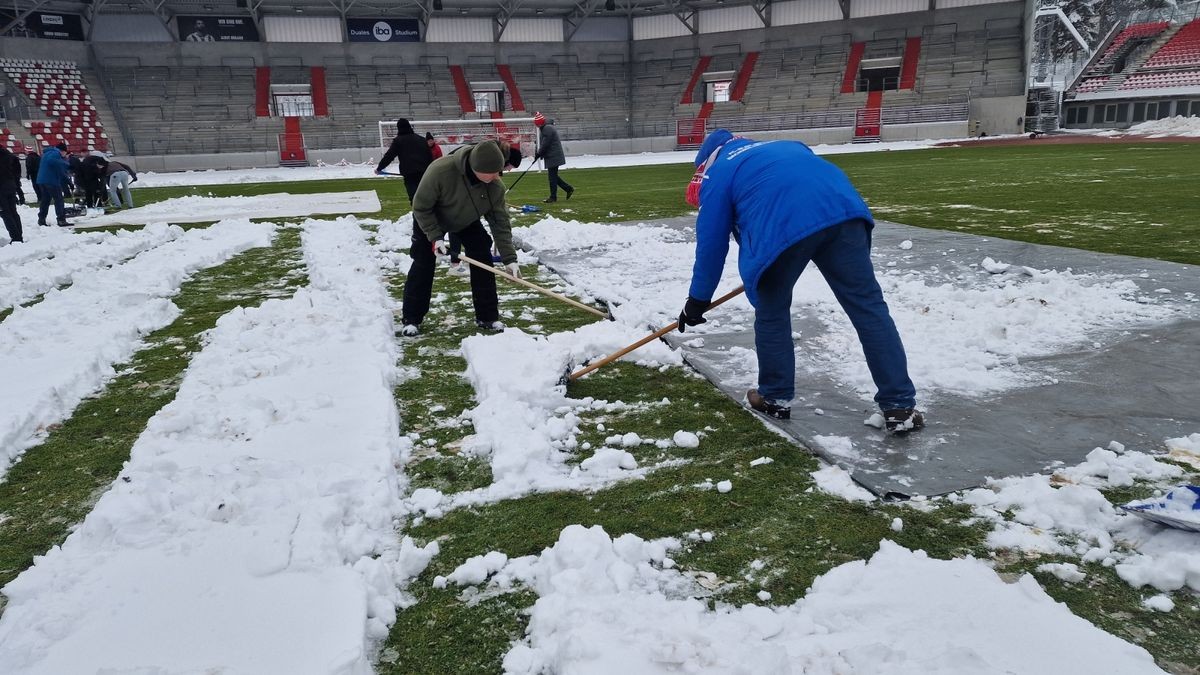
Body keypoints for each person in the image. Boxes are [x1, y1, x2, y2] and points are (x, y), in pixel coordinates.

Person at [677, 129, 924, 433]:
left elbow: (712, 242)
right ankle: (900, 406)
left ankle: (775, 397)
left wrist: (698, 299)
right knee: (868, 307)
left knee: (772, 311)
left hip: (783, 231)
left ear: (705, 163)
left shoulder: (719, 172)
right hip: (845, 215)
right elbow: (805, 189)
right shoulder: (787, 146)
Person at [400, 140, 518, 336]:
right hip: (431, 218)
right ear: (476, 168)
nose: (497, 177)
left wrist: (510, 259)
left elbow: (500, 223)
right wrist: (435, 237)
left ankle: (488, 317)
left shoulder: (495, 186)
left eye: (499, 171)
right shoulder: (440, 170)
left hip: (466, 219)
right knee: (423, 261)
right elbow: (421, 207)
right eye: (492, 172)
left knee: (482, 254)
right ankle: (411, 318)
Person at [445, 140, 523, 277]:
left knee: (482, 241)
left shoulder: (492, 165)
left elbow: (499, 218)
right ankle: (455, 264)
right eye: (510, 166)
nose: (509, 169)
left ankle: (474, 267)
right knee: (459, 227)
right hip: (455, 199)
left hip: (469, 203)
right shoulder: (484, 158)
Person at [375, 118, 434, 204]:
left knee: (414, 199)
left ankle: (417, 216)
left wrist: (379, 168)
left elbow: (389, 156)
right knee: (426, 198)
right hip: (424, 173)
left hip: (409, 174)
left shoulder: (398, 141)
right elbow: (429, 156)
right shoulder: (421, 139)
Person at [532, 112, 573, 203]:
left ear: (539, 123)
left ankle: (553, 197)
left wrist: (539, 153)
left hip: (554, 156)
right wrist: (538, 154)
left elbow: (545, 144)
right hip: (552, 155)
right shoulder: (546, 128)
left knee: (552, 177)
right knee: (553, 176)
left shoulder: (547, 129)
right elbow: (544, 143)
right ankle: (568, 189)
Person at [36, 142, 72, 227]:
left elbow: (59, 170)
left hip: (42, 180)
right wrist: (67, 164)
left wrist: (68, 182)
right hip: (51, 180)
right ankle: (61, 219)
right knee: (59, 200)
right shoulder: (55, 154)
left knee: (45, 200)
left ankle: (41, 219)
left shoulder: (47, 153)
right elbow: (54, 163)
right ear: (63, 151)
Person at [0, 146, 23, 243]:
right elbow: (16, 171)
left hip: (1, 187)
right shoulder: (9, 155)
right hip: (10, 185)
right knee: (13, 211)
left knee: (5, 213)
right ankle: (19, 235)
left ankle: (16, 237)